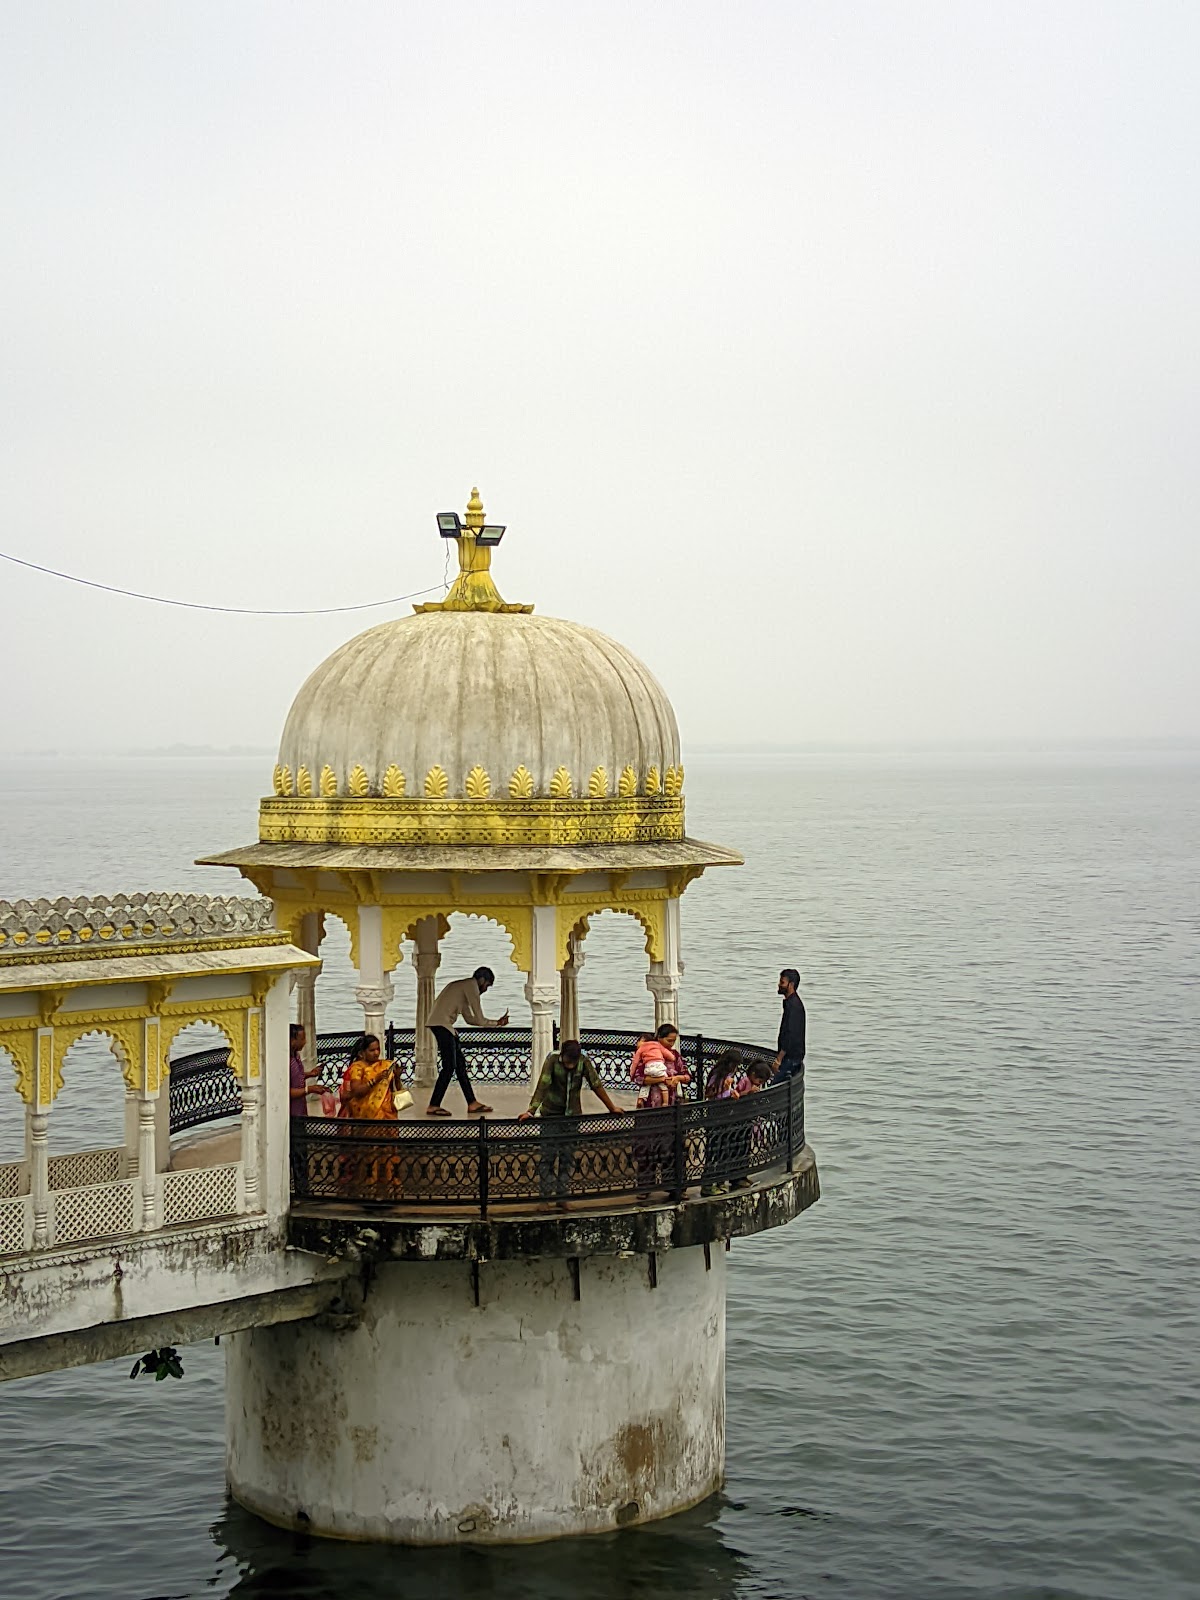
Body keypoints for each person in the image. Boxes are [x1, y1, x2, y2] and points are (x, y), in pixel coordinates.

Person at [518, 1039, 623, 1209]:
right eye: (567, 1063)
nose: (570, 1066)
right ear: (562, 1055)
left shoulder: (583, 1061)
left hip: (572, 1116)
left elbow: (596, 1084)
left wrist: (612, 1108)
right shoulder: (552, 1060)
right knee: (548, 1157)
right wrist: (531, 1111)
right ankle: (544, 1198)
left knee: (567, 1158)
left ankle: (562, 1196)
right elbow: (543, 1085)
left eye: (572, 1063)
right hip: (551, 1115)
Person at [425, 966, 509, 1117]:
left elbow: (471, 1019)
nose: (485, 990)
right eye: (487, 985)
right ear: (482, 980)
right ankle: (433, 1105)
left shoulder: (461, 987)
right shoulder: (471, 986)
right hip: (442, 1025)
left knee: (460, 1067)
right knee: (449, 1067)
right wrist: (497, 1023)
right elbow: (479, 1018)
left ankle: (472, 1103)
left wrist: (496, 1023)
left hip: (443, 1025)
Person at [631, 1023, 691, 1105]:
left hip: (672, 1101)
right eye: (669, 1040)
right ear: (659, 1038)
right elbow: (638, 1079)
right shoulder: (647, 1053)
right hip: (650, 1101)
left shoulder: (675, 1055)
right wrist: (663, 1080)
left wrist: (678, 1078)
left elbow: (687, 1076)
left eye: (674, 1041)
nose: (672, 1044)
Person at [773, 969, 806, 1084]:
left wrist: (779, 1059)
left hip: (790, 1058)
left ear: (790, 985)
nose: (779, 984)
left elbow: (790, 1035)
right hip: (791, 1056)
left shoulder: (794, 1006)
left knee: (774, 1088)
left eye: (782, 982)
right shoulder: (791, 1003)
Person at [288, 1023, 322, 1117]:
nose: (305, 1042)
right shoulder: (285, 1060)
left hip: (300, 1108)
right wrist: (308, 1089)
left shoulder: (296, 1056)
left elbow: (295, 1076)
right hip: (290, 1112)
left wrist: (310, 1074)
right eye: (302, 1039)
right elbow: (284, 1090)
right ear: (292, 1040)